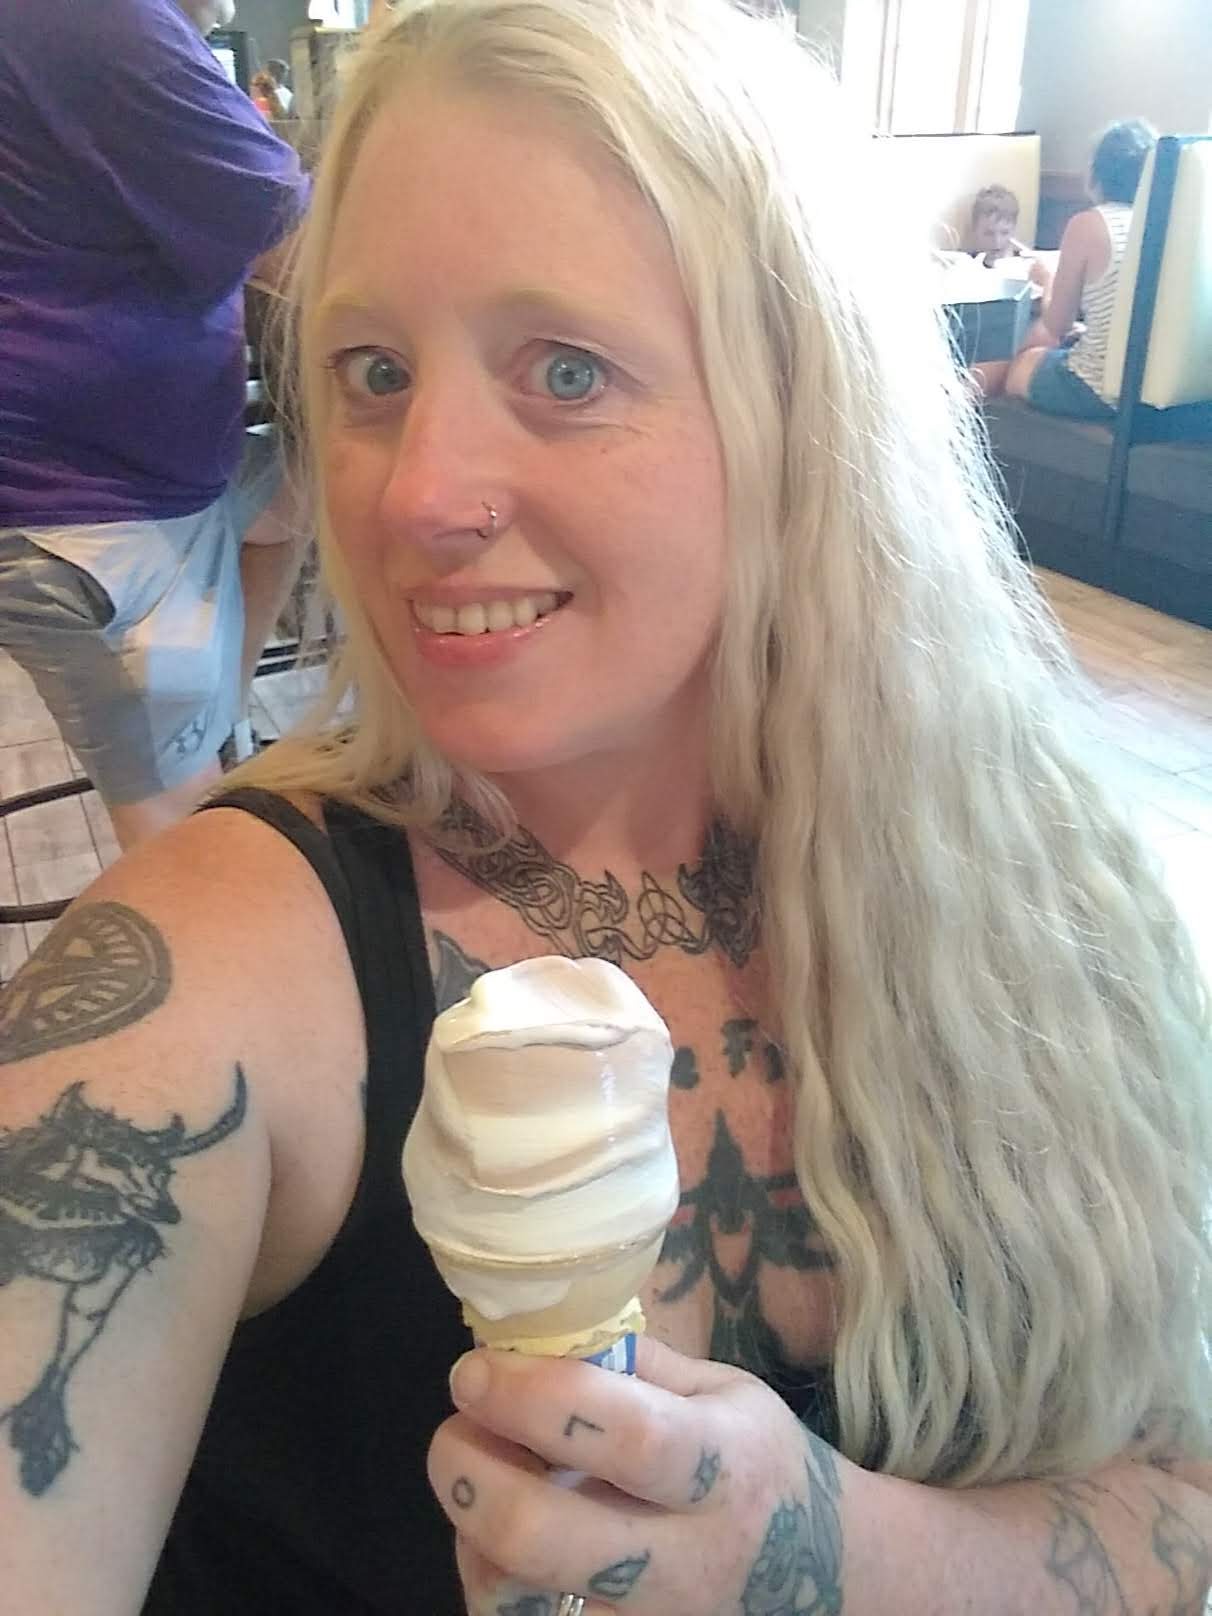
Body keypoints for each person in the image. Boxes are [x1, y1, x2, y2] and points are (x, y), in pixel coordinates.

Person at [0, 3, 1209, 1613]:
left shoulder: (1039, 893)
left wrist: (828, 1555)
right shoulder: (204, 976)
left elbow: (1178, 1503)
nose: (416, 493)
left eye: (566, 371)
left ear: (801, 412)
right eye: (374, 372)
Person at [0, 0, 311, 850]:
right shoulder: (103, 14)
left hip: (150, 477)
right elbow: (302, 244)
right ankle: (203, 789)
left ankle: (215, 730)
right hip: (88, 512)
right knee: (189, 849)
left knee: (301, 490)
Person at [985, 119, 1158, 416]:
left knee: (1019, 363)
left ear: (1095, 174)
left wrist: (1046, 279)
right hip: (1147, 389)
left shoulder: (1088, 224)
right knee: (1051, 340)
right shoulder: (1163, 226)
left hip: (1099, 388)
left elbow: (1057, 325)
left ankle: (963, 402)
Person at [964, 183, 1049, 290]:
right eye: (988, 233)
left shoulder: (1029, 267)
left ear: (1014, 229)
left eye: (1005, 233)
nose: (997, 241)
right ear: (975, 230)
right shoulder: (965, 266)